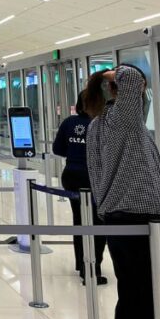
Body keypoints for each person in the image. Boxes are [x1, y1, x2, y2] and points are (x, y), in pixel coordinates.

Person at [84, 64, 160, 319]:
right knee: (159, 301)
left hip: (119, 221)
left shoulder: (98, 127)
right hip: (143, 222)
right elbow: (133, 77)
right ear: (114, 92)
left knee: (131, 298)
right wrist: (112, 73)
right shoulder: (120, 121)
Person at [52, 90, 106, 285]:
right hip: (93, 178)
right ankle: (92, 268)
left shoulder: (68, 123)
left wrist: (74, 152)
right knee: (98, 222)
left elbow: (57, 149)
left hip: (72, 175)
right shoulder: (102, 124)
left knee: (79, 219)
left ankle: (81, 262)